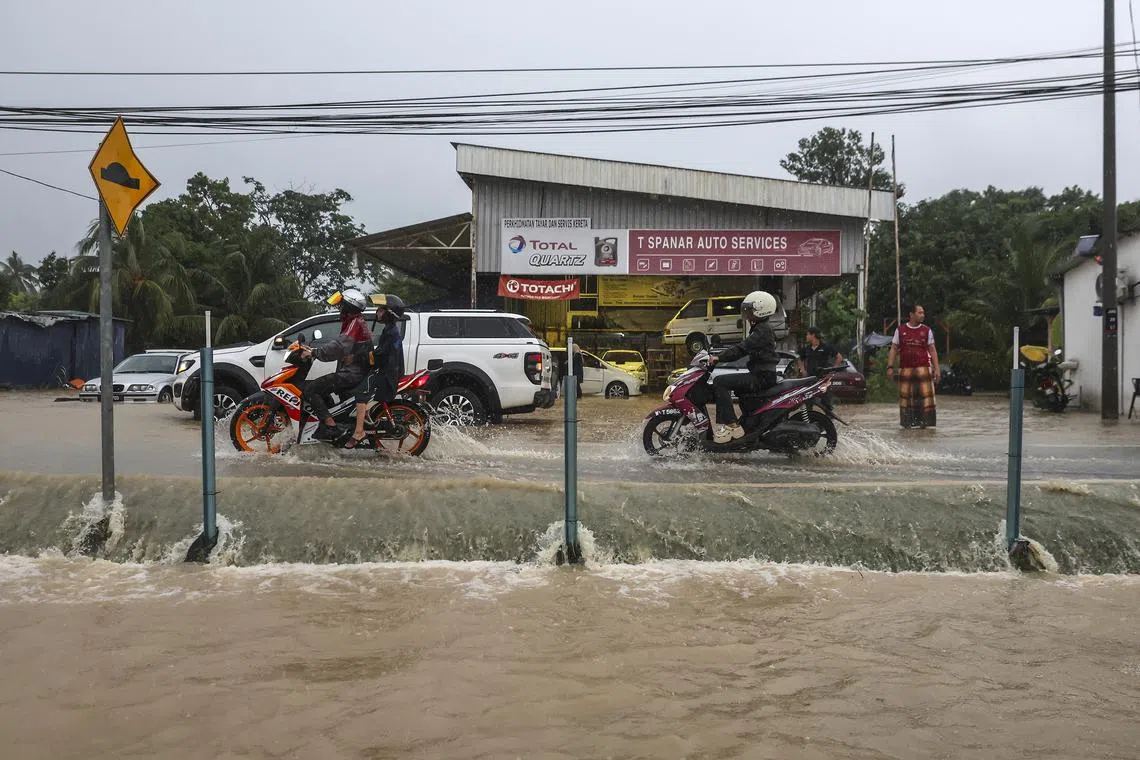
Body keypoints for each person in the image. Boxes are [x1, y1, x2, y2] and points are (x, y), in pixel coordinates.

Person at [707, 290, 781, 444]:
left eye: (749, 310)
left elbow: (742, 349)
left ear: (760, 310)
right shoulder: (760, 328)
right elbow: (741, 348)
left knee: (720, 381)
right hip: (761, 374)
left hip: (762, 377)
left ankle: (731, 425)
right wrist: (719, 354)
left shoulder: (762, 330)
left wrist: (719, 358)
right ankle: (745, 424)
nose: (746, 314)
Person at [300, 288, 373, 441]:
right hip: (354, 371)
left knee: (311, 389)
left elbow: (338, 347)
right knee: (324, 390)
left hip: (352, 373)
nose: (339, 309)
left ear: (348, 307)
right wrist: (314, 350)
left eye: (341, 306)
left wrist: (314, 353)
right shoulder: (354, 322)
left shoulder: (355, 324)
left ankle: (331, 426)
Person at [346, 294, 408, 448]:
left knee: (360, 393)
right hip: (388, 370)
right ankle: (365, 414)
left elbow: (380, 354)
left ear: (389, 313)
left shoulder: (391, 332)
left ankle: (359, 431)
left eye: (381, 310)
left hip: (385, 373)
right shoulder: (390, 330)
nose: (377, 313)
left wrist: (358, 357)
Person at [886, 303, 941, 428]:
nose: (923, 315)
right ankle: (907, 425)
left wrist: (937, 369)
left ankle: (925, 425)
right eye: (919, 312)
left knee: (925, 398)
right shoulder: (900, 330)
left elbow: (932, 350)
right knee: (906, 398)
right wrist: (890, 367)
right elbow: (894, 349)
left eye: (923, 312)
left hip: (924, 368)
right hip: (906, 369)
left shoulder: (927, 330)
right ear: (911, 315)